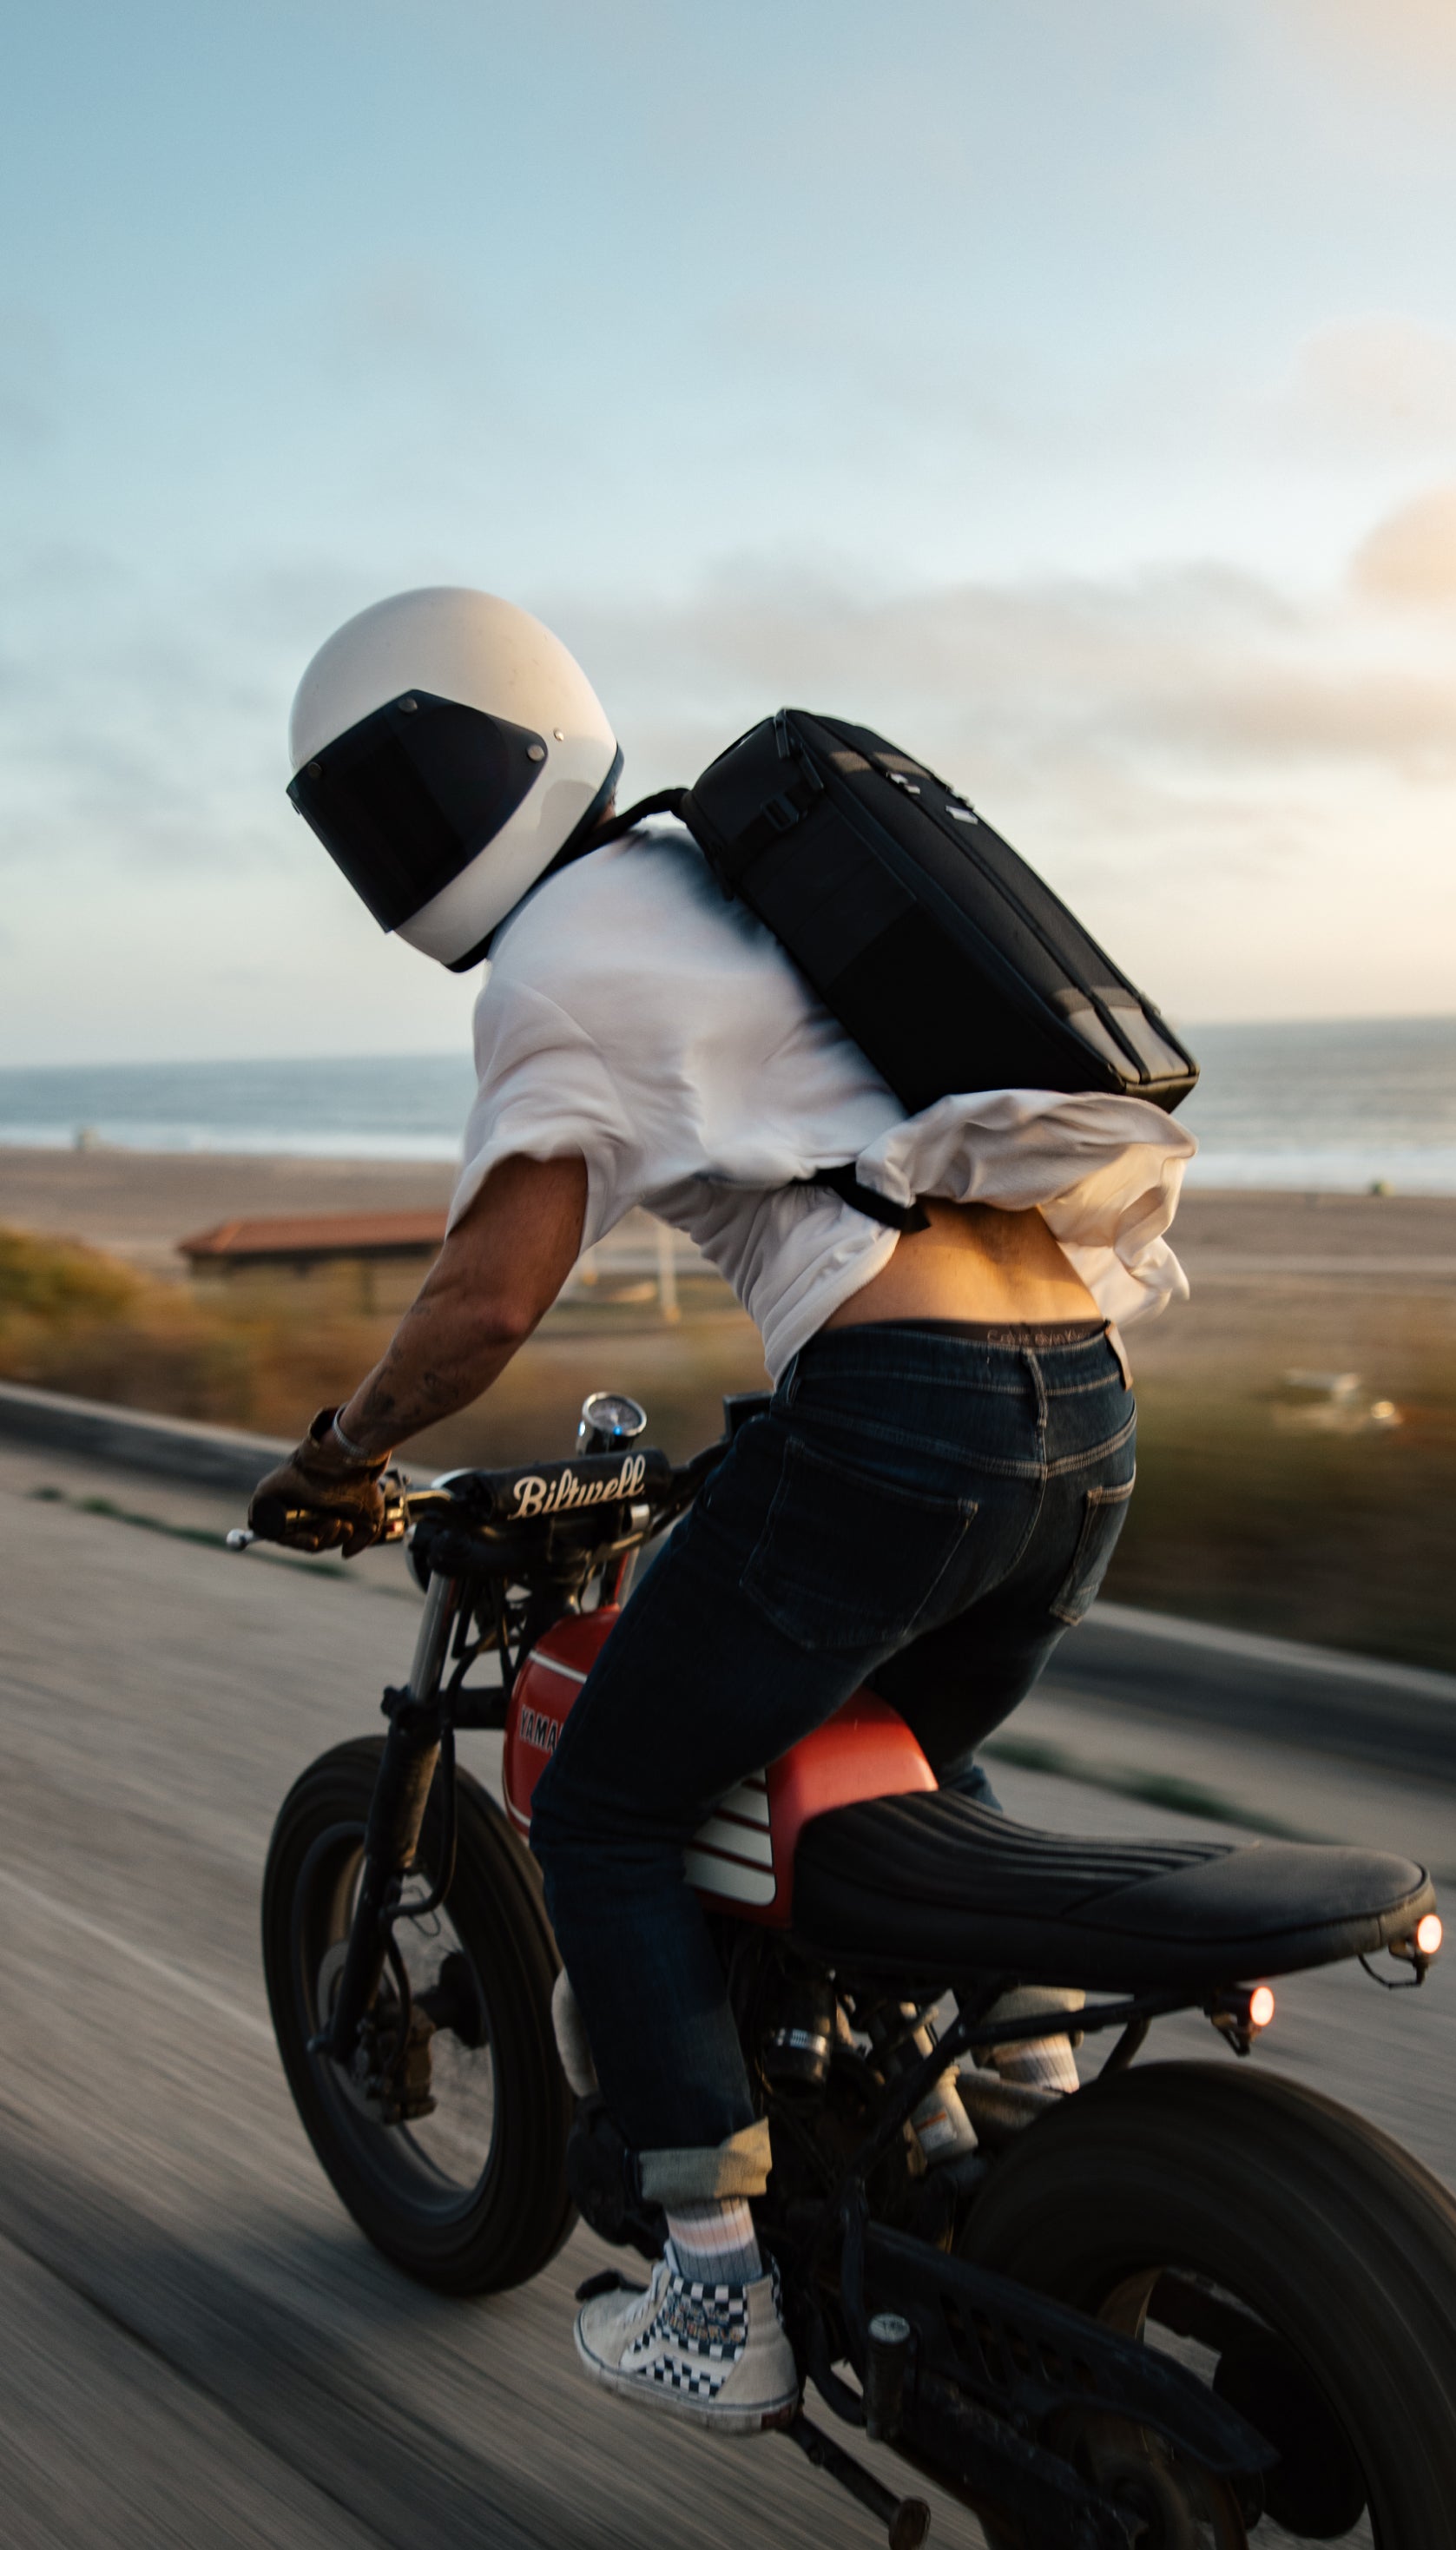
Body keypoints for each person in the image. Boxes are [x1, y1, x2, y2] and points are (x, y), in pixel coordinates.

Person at [254, 587, 1195, 2433]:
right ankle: (1012, 2101)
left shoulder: (559, 959)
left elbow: (482, 1303)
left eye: (384, 810)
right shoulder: (714, 873)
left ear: (457, 782)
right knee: (885, 1748)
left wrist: (344, 1447)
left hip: (903, 1419)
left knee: (608, 1799)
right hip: (1082, 1406)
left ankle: (714, 2287)